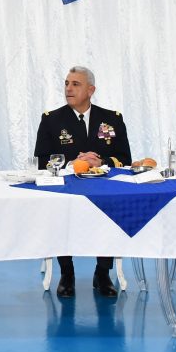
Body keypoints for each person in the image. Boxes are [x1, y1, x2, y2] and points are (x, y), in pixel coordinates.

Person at [34, 66, 131, 298]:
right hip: (67, 188)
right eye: (67, 83)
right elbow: (41, 160)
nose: (68, 88)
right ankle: (67, 274)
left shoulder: (112, 119)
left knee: (110, 214)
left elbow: (125, 159)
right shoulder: (51, 120)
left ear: (91, 90)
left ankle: (103, 273)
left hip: (102, 187)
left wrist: (100, 161)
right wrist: (72, 162)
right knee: (60, 215)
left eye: (75, 84)